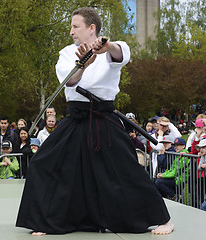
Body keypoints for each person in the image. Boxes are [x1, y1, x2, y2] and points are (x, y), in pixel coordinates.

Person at [16, 7, 173, 235]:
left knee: (126, 169)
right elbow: (70, 83)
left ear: (91, 28)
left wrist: (106, 47)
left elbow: (120, 54)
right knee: (44, 163)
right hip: (76, 118)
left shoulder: (112, 47)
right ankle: (48, 221)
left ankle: (163, 219)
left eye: (75, 26)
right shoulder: (67, 53)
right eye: (71, 26)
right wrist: (82, 65)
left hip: (103, 118)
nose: (71, 32)